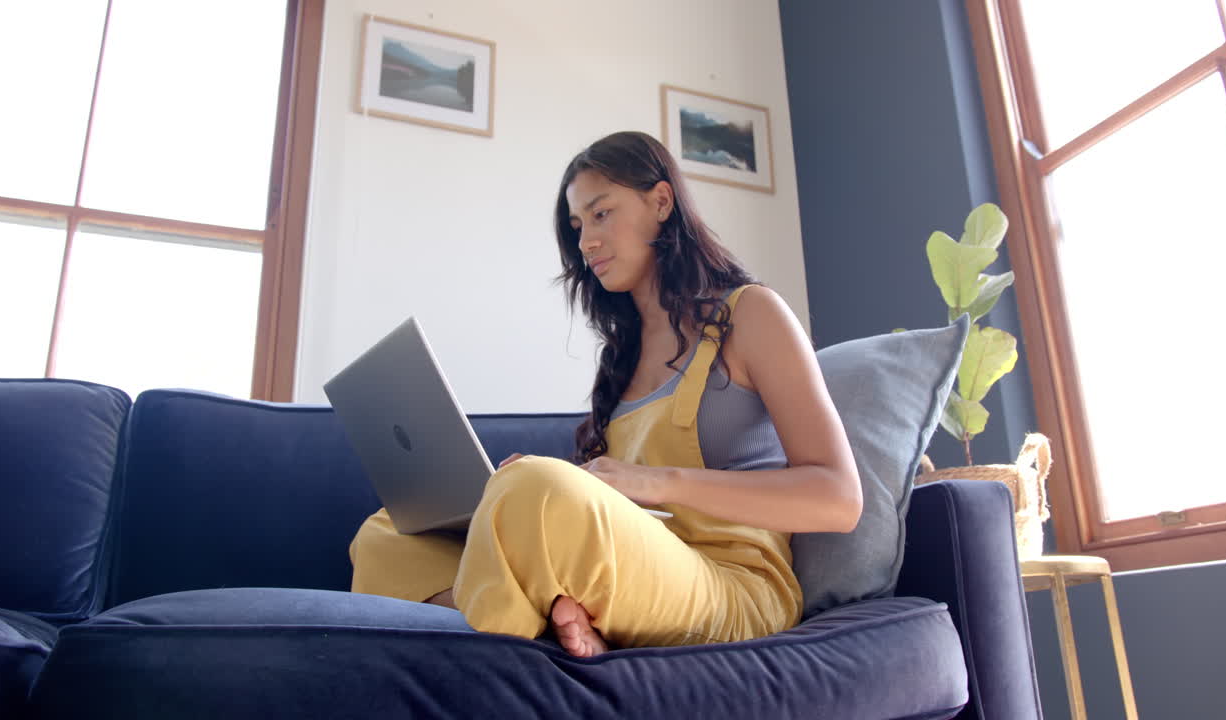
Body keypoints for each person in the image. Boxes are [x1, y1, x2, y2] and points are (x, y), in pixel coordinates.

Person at [348, 130, 862, 658]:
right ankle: (539, 621)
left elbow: (839, 499)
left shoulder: (751, 313)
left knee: (532, 492)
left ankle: (518, 625)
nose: (586, 242)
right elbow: (608, 505)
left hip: (734, 587)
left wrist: (653, 482)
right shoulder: (623, 356)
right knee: (387, 534)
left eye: (601, 214)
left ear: (661, 202)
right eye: (577, 227)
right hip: (633, 569)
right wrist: (546, 486)